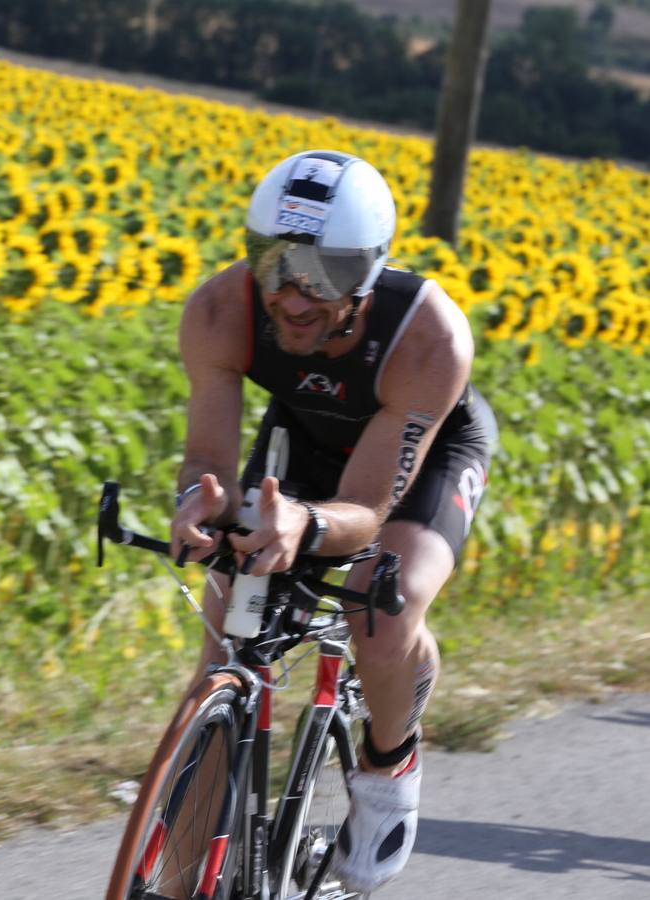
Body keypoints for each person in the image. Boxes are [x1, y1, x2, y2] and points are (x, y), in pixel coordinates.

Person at [168, 149, 497, 893]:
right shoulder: (222, 309)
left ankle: (388, 764)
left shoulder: (428, 337)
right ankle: (180, 877)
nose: (293, 294)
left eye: (327, 273)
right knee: (225, 646)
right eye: (275, 260)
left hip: (420, 460)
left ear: (373, 272)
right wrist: (201, 502)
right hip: (306, 447)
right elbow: (207, 467)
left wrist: (302, 530)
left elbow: (369, 512)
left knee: (383, 604)